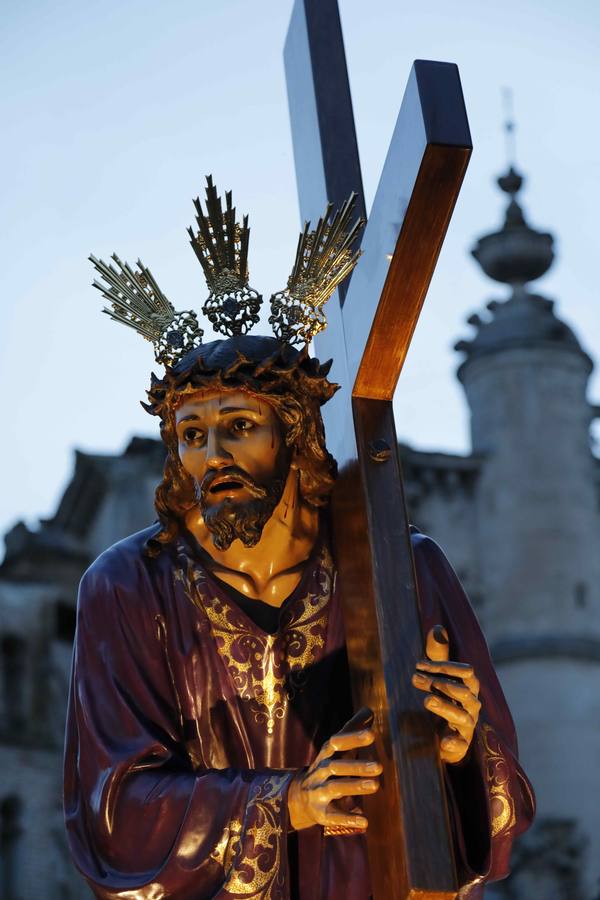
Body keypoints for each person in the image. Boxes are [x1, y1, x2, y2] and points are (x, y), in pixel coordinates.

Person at [64, 181, 535, 899]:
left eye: (239, 427)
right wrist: (287, 800)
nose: (212, 455)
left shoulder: (402, 565)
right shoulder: (128, 584)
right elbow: (108, 814)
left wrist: (458, 748)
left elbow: (505, 813)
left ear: (295, 435)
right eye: (192, 436)